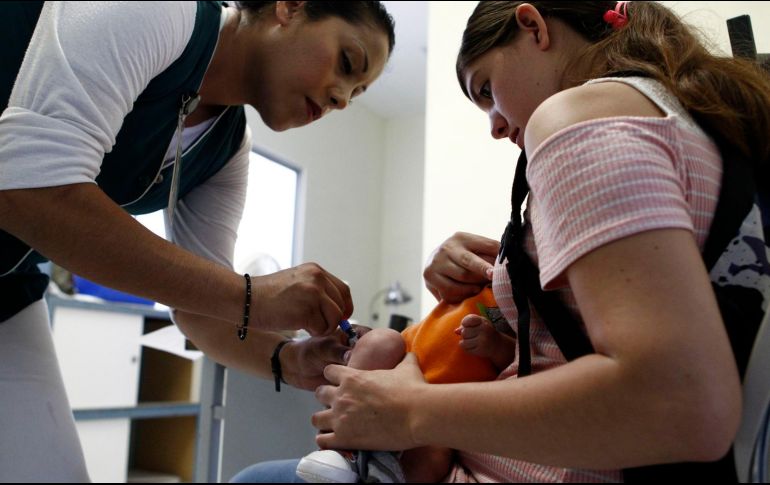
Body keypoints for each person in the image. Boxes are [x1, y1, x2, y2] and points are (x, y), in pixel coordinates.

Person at [310, 1, 770, 483]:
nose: (495, 126)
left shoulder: (577, 117)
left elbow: (678, 401)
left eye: (486, 89)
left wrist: (408, 410)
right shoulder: (683, 118)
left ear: (533, 26)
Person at [0, 1, 394, 481]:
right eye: (347, 64)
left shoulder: (225, 152)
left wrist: (289, 359)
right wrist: (253, 295)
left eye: (355, 94)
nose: (340, 100)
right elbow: (24, 185)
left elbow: (200, 312)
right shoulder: (156, 12)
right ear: (288, 8)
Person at [230, 287, 518, 483]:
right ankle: (340, 453)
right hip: (402, 364)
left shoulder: (529, 309)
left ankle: (381, 474)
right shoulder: (489, 271)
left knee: (434, 460)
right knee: (383, 341)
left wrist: (496, 344)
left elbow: (523, 365)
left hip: (437, 413)